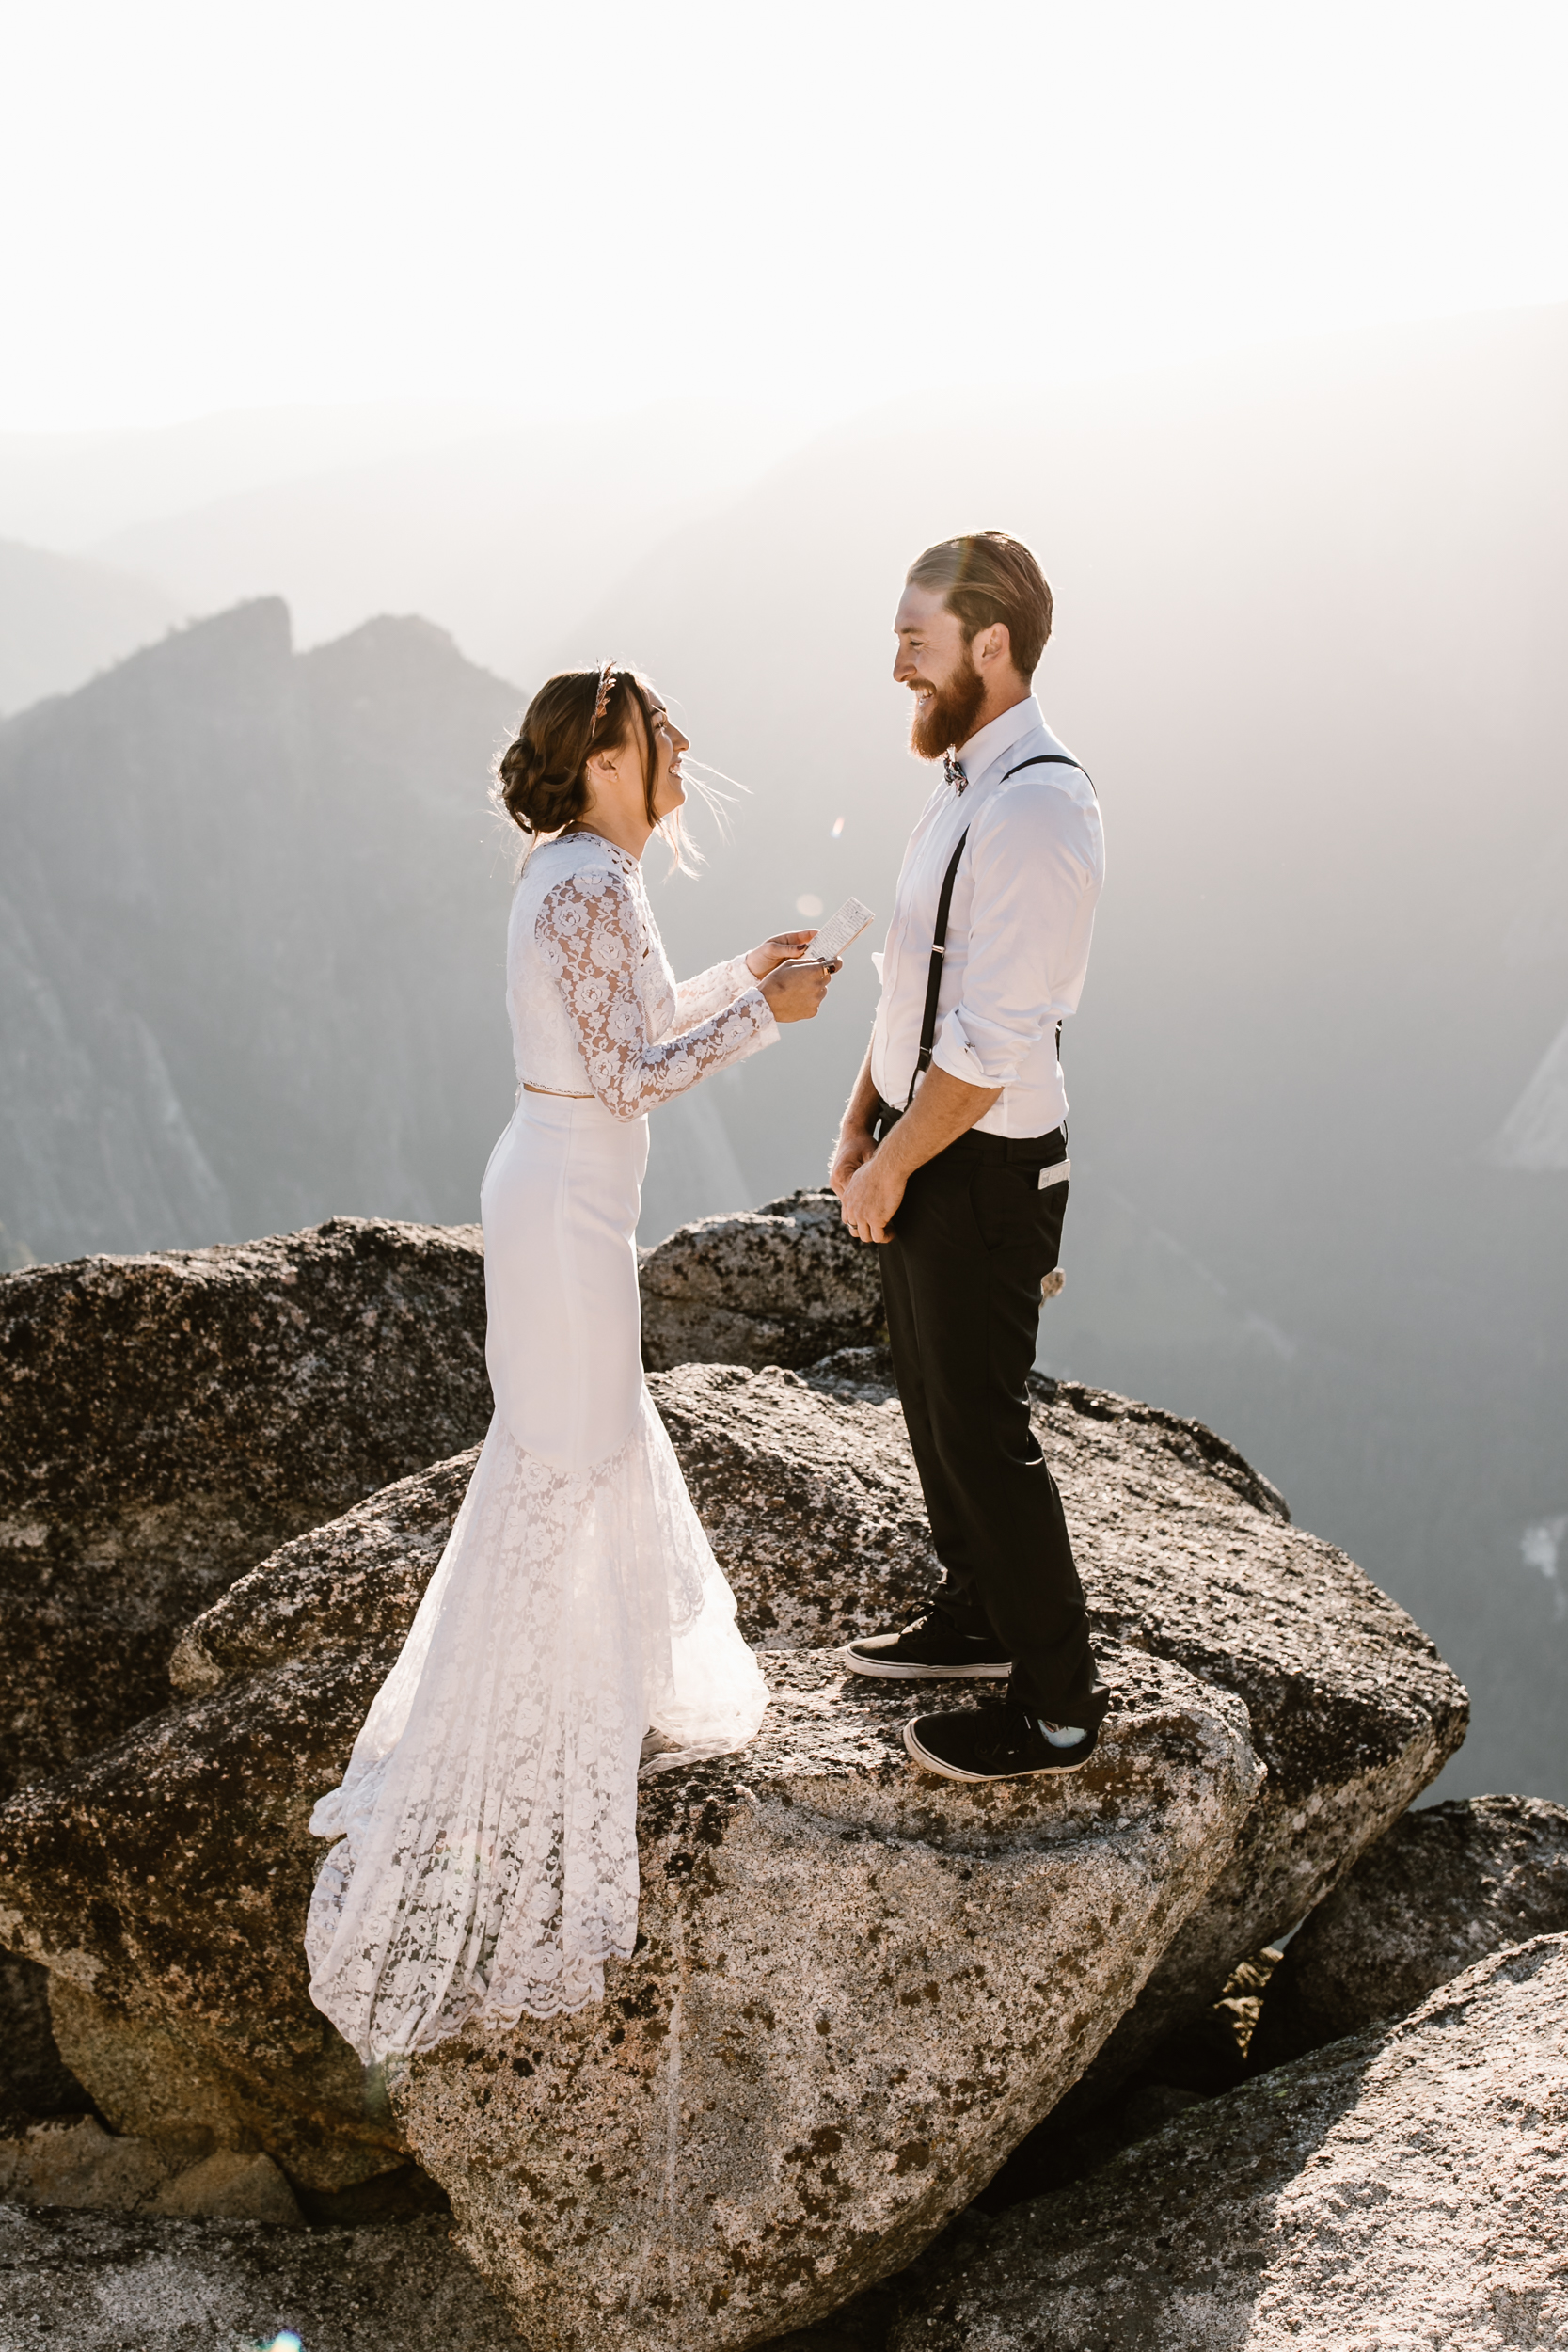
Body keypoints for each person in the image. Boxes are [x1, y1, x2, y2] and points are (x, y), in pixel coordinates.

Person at [307, 661, 835, 2059]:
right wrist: (764, 1021)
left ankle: (579, 1699)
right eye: (661, 733)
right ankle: (546, 1740)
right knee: (577, 1451)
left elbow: (634, 1011)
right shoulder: (592, 878)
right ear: (605, 756)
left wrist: (744, 972)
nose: (682, 749)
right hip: (568, 1198)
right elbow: (633, 1069)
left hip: (558, 1188)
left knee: (579, 1444)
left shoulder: (577, 867)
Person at [830, 532, 1110, 1782]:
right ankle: (978, 1614)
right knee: (934, 1405)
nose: (898, 664)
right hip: (925, 1138)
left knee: (985, 1426)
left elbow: (993, 1044)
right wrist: (861, 1122)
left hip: (987, 1166)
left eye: (916, 639)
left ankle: (1058, 1710)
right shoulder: (962, 787)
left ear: (990, 644)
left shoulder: (1041, 806)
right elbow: (915, 985)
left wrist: (899, 1163)